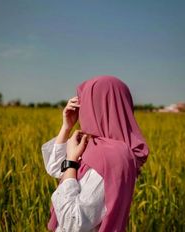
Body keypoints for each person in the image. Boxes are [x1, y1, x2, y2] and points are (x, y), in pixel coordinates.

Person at [41, 75, 149, 232]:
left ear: (98, 106)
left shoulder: (112, 157)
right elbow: (56, 169)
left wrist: (71, 160)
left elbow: (73, 222)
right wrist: (66, 127)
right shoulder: (95, 144)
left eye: (85, 101)